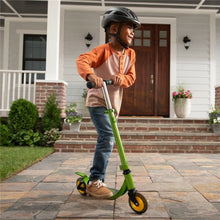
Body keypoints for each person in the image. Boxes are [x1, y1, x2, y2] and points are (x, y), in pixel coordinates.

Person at [76, 7, 141, 199]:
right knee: (107, 137)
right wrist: (91, 75)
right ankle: (96, 181)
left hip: (113, 105)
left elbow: (131, 77)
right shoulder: (103, 51)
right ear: (114, 28)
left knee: (108, 138)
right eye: (128, 27)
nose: (132, 32)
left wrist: (121, 79)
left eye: (133, 29)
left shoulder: (130, 55)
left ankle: (91, 178)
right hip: (98, 101)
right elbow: (83, 60)